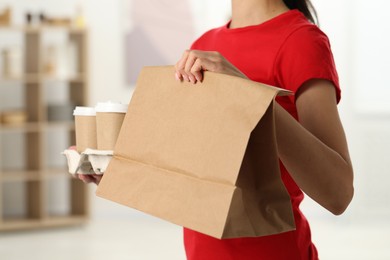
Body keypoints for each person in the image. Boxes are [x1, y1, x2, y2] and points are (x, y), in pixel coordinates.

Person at [78, 0, 354, 259]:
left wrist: (248, 94)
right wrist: (114, 170)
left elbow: (338, 195)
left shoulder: (301, 41)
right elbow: (190, 174)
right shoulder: (204, 45)